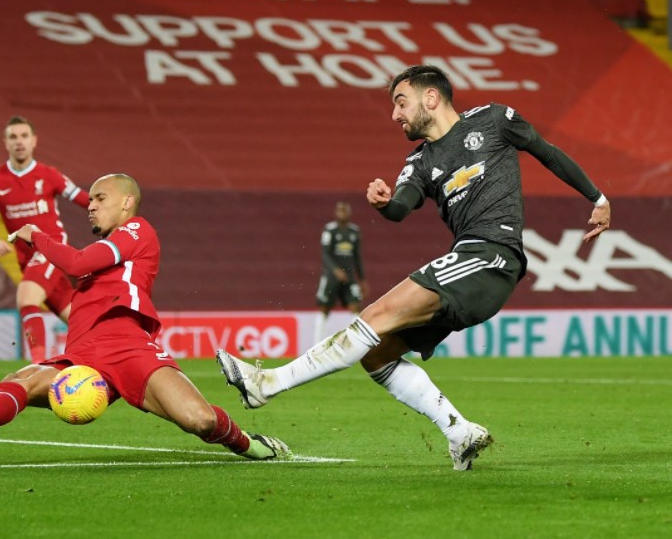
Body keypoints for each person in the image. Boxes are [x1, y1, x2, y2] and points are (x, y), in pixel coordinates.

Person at [217, 65, 611, 470]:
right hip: (470, 262)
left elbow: (546, 152)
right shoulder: (420, 161)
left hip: (491, 255)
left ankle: (268, 384)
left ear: (431, 98)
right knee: (378, 355)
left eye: (400, 102)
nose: (395, 115)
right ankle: (458, 430)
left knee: (376, 316)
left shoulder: (494, 120)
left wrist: (597, 199)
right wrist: (386, 204)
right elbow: (402, 206)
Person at [0, 173, 291, 460]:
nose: (90, 205)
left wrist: (36, 235)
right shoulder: (105, 250)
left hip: (127, 344)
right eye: (89, 199)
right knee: (22, 379)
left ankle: (252, 447)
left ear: (127, 202)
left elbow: (75, 261)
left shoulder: (138, 230)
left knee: (199, 421)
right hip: (83, 352)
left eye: (99, 198)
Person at [0, 116, 89, 362]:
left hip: (50, 248)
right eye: (13, 137)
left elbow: (82, 199)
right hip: (26, 259)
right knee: (79, 318)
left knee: (26, 298)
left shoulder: (49, 175)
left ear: (34, 141)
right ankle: (120, 349)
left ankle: (38, 364)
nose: (19, 142)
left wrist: (110, 207)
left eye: (24, 136)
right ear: (5, 142)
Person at [313, 201, 369, 346]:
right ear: (336, 213)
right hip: (331, 277)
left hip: (349, 277)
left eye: (345, 211)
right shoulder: (330, 230)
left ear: (349, 213)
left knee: (356, 307)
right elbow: (325, 254)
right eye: (340, 211)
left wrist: (362, 279)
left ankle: (355, 344)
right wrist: (335, 270)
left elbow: (357, 256)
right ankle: (316, 345)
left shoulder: (354, 231)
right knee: (324, 308)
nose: (342, 213)